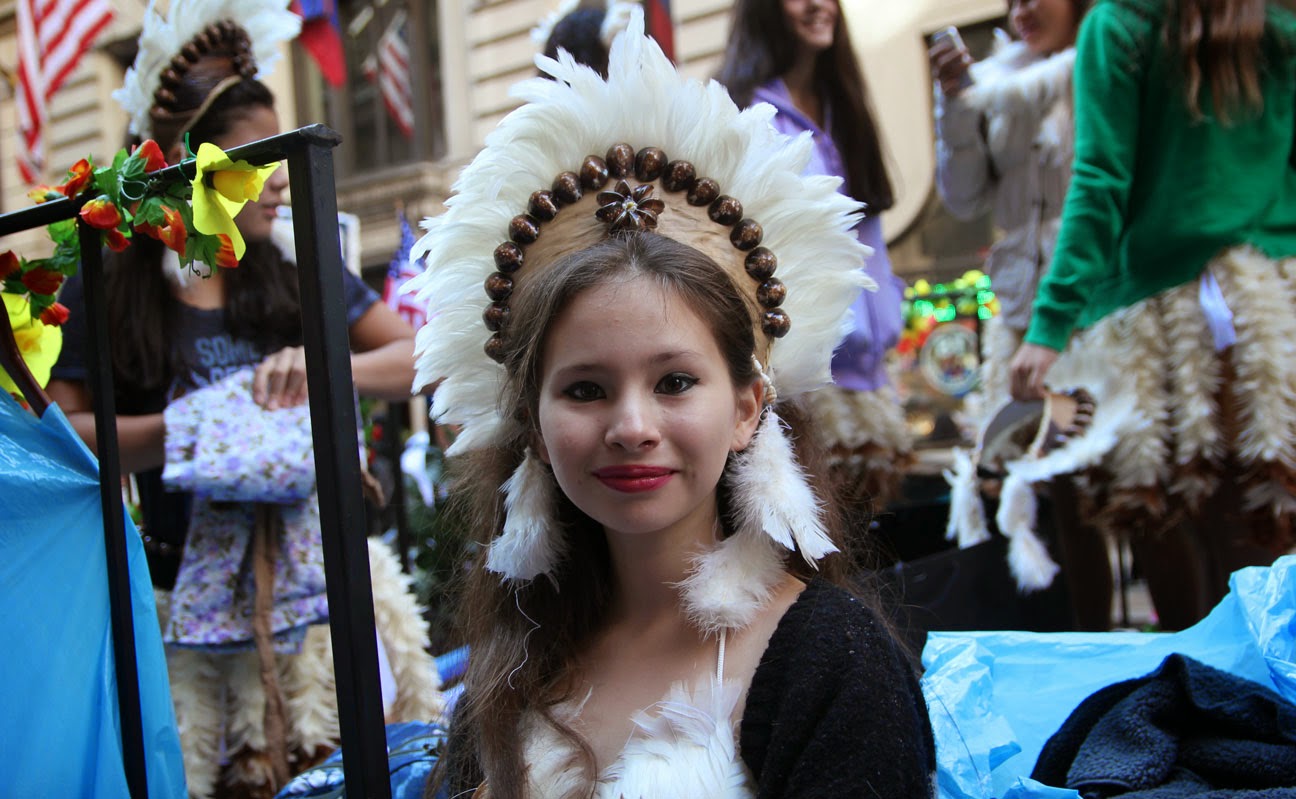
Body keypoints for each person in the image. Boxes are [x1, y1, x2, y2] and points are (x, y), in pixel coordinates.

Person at [408, 12, 935, 798]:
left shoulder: (834, 661)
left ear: (749, 406)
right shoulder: (506, 674)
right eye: (585, 388)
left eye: (675, 382)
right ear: (537, 429)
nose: (631, 426)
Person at [46, 1, 441, 795]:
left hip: (319, 606)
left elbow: (415, 356)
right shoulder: (108, 283)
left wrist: (318, 365)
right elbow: (63, 432)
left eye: (277, 159)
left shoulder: (294, 260)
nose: (272, 184)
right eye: (250, 161)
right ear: (185, 166)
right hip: (176, 619)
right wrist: (195, 430)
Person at [1009, 0, 1296, 628]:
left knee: (1176, 535)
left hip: (1167, 322)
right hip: (1274, 306)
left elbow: (1101, 179)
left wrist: (1051, 323)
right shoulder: (1277, 23)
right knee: (1270, 534)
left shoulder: (1120, 24)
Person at [928, 2, 1117, 630]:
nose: (1024, 9)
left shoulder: (1107, 59)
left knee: (1117, 488)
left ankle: (1164, 649)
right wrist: (954, 100)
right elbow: (962, 197)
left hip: (1101, 306)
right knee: (1046, 490)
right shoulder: (993, 81)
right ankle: (1087, 652)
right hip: (1018, 311)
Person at [715, 0, 911, 513]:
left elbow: (870, 236)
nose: (817, 5)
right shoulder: (741, 111)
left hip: (867, 379)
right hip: (797, 383)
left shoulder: (843, 103)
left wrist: (885, 322)